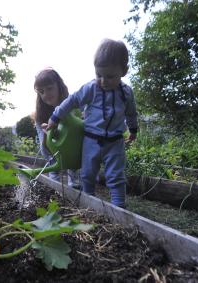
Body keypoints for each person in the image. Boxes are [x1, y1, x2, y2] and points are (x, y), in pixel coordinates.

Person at [43, 39, 138, 208]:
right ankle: (89, 202)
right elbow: (71, 101)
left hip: (115, 141)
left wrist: (133, 129)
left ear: (123, 71)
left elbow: (131, 112)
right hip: (91, 140)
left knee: (115, 175)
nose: (103, 80)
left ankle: (119, 207)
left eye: (109, 76)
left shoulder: (126, 93)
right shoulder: (91, 88)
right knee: (87, 173)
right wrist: (55, 117)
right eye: (98, 75)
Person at [33, 68, 80, 188]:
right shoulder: (41, 116)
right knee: (53, 165)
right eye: (41, 91)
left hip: (72, 148)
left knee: (73, 164)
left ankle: (74, 185)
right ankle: (55, 188)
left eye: (49, 88)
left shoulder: (72, 105)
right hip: (52, 150)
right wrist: (47, 135)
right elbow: (44, 147)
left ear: (59, 86)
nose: (46, 94)